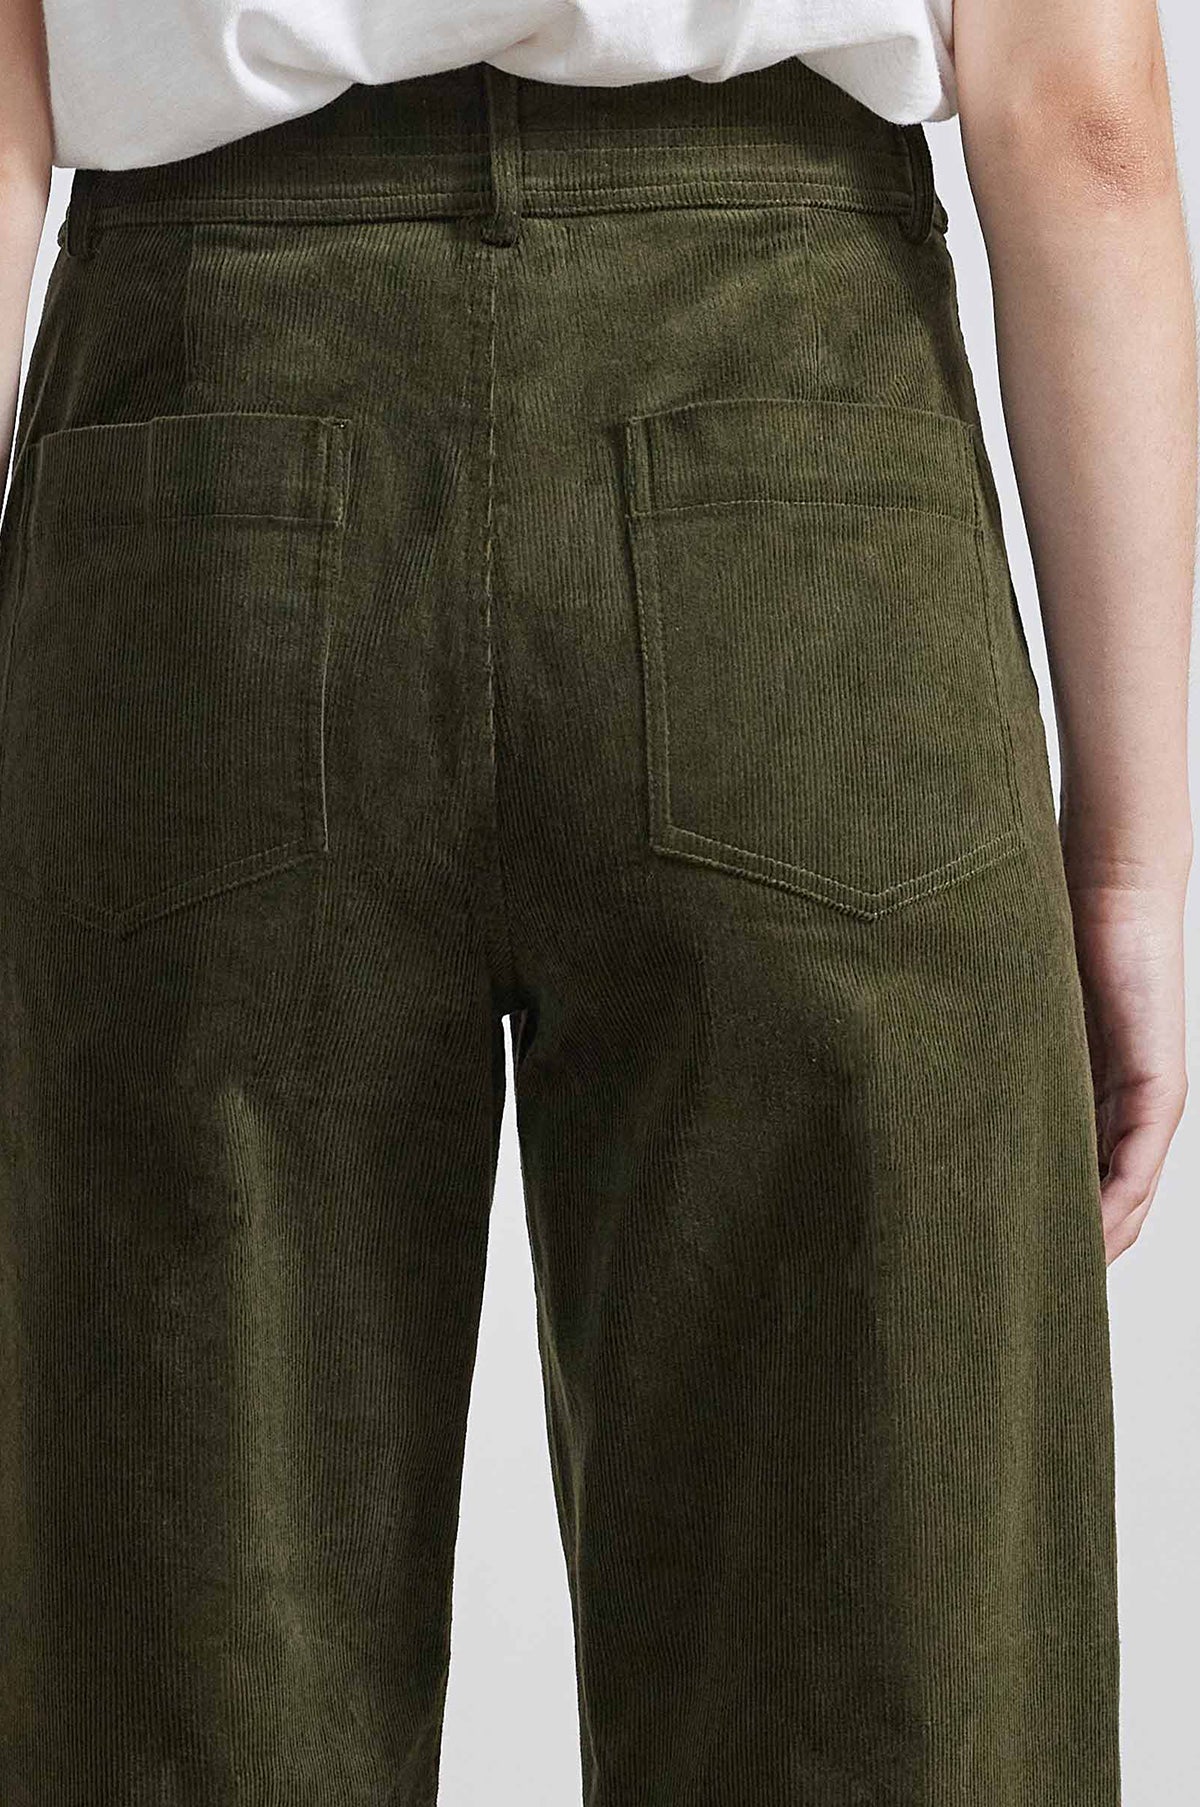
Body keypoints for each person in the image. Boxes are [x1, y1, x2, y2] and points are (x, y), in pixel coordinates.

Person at [0, 0, 1193, 1802]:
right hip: (800, 469)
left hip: (204, 453)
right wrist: (1130, 861)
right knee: (888, 1675)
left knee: (156, 1660)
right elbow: (1082, 119)